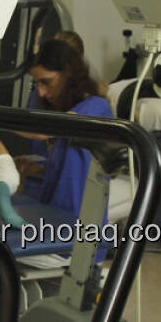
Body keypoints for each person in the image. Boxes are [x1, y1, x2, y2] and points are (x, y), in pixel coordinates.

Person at [19, 38, 112, 215]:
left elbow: (44, 130)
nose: (41, 92)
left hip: (79, 220)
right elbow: (69, 169)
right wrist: (39, 169)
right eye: (37, 84)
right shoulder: (59, 109)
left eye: (46, 82)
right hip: (51, 212)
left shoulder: (96, 107)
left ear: (68, 75)